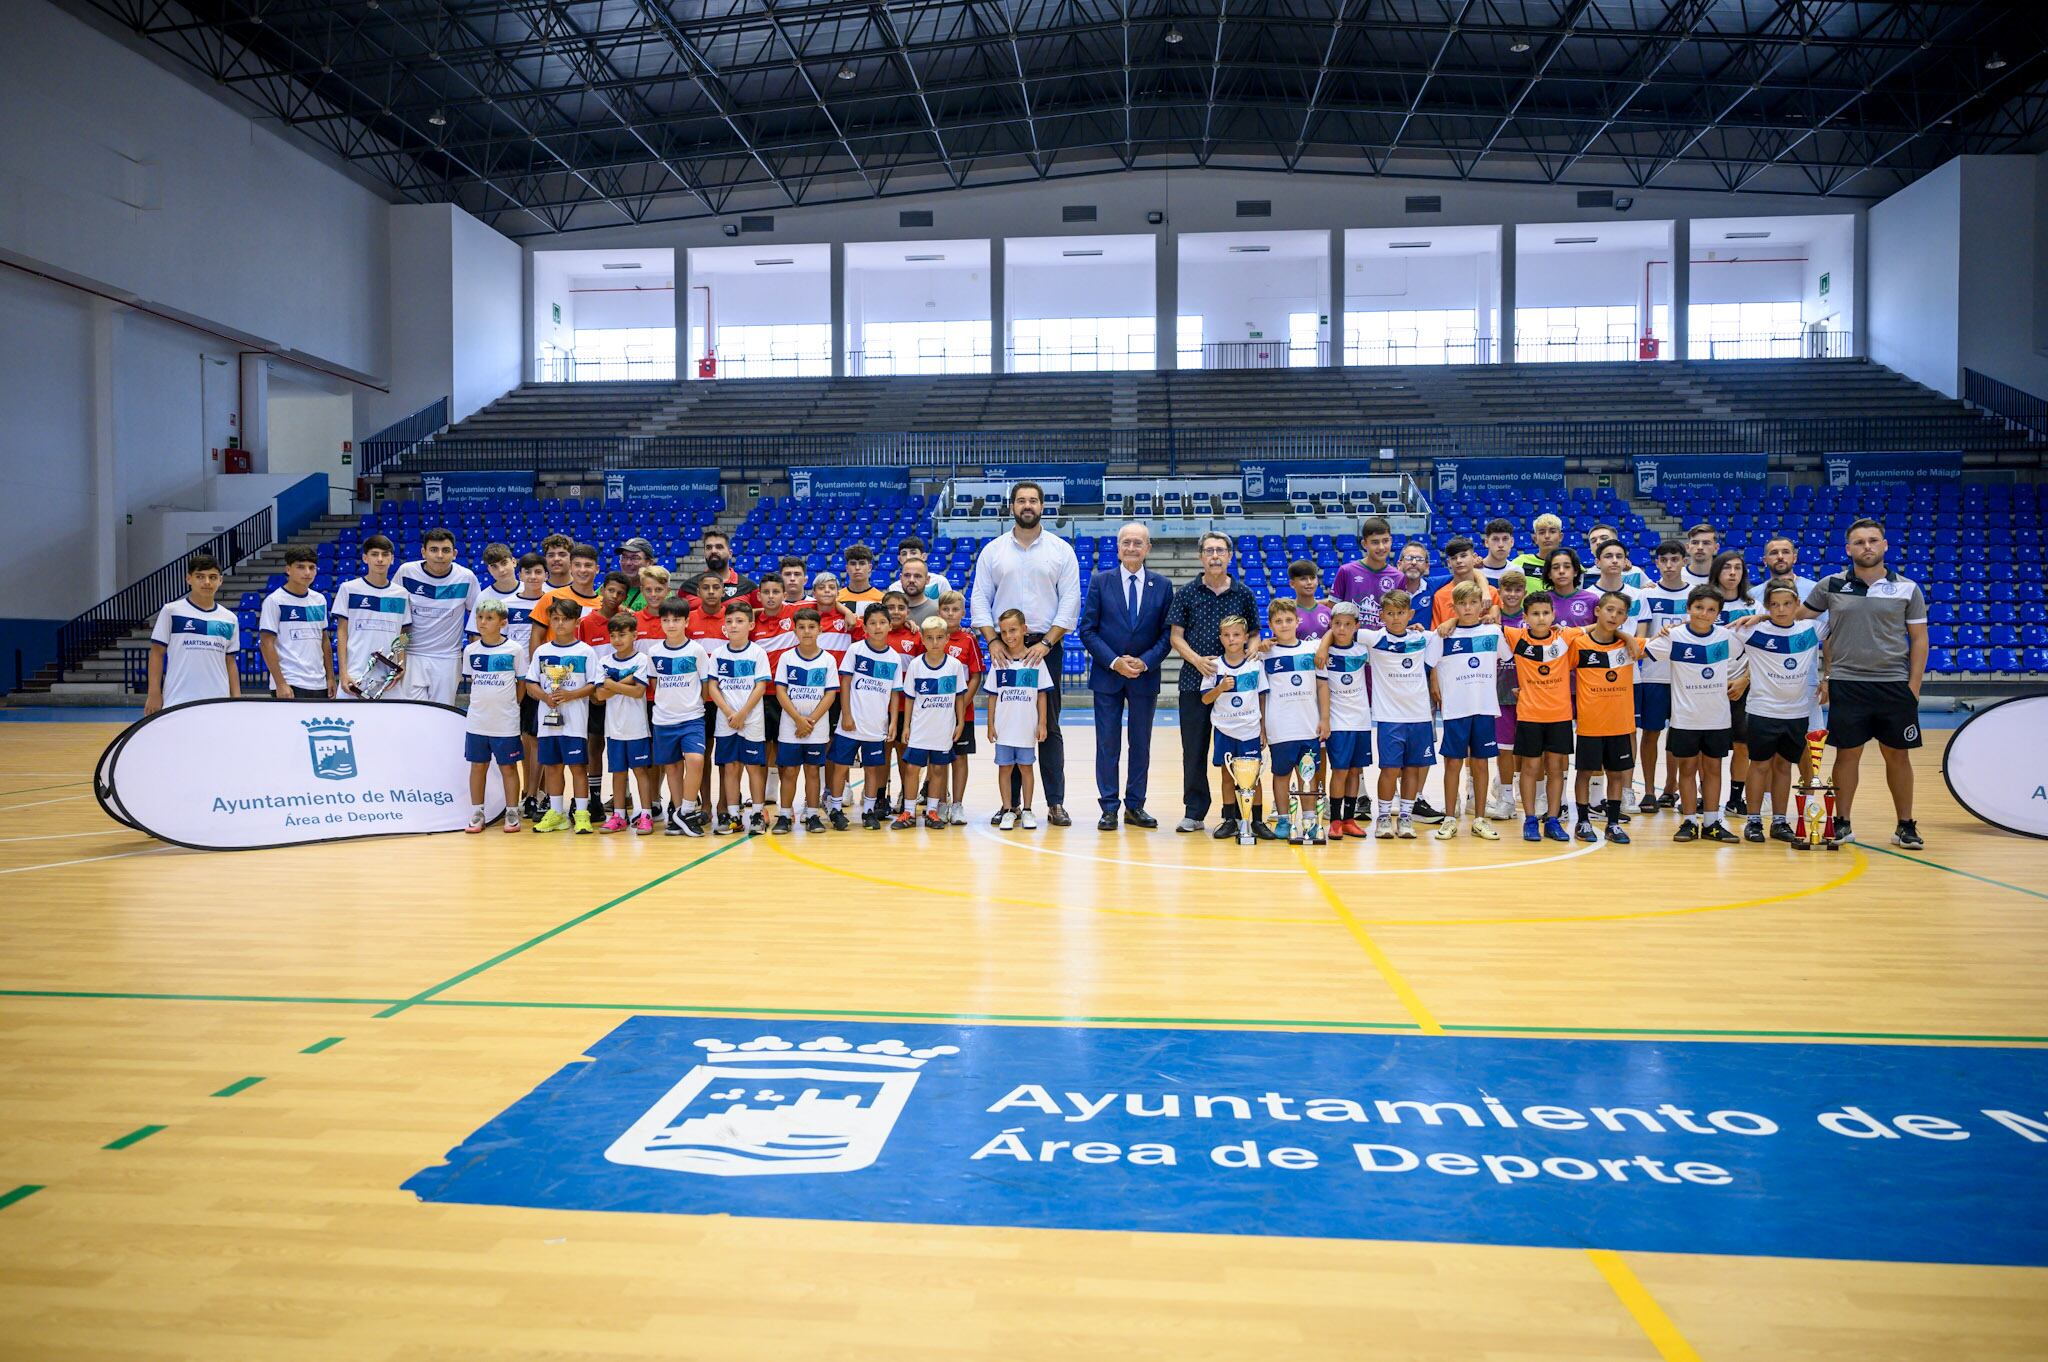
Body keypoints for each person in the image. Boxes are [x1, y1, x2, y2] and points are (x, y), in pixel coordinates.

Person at [1791, 517, 1927, 850]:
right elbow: (1795, 618)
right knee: (1846, 756)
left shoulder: (1908, 588)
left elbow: (1920, 640)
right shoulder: (1831, 585)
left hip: (1893, 685)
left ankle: (1905, 825)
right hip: (1848, 683)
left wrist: (1913, 688)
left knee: (1898, 757)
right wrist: (1761, 617)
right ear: (1849, 548)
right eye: (1860, 542)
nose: (1867, 547)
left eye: (1873, 540)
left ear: (1884, 545)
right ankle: (1843, 823)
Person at [970, 480, 1081, 827]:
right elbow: (978, 599)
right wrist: (993, 641)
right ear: (1012, 507)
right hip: (1005, 648)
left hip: (1045, 648)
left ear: (1043, 507)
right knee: (1009, 723)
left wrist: (1046, 643)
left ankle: (1055, 803)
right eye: (1021, 500)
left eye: (1033, 500)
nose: (1027, 505)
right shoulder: (994, 551)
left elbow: (1070, 602)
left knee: (1047, 726)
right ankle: (1011, 805)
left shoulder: (1061, 551)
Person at [1078, 521, 1172, 831]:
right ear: (1118, 548)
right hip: (1108, 676)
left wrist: (1144, 663)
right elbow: (1088, 630)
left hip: (1145, 677)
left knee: (1141, 743)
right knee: (1107, 744)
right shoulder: (1100, 582)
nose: (1131, 548)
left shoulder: (1162, 585)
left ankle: (1135, 806)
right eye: (1126, 543)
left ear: (1148, 548)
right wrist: (1115, 661)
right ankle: (1108, 807)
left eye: (1137, 543)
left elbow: (1166, 634)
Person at [1168, 531, 1259, 833]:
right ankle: (1194, 812)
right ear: (1201, 556)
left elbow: (1255, 633)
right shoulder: (1186, 593)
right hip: (1196, 683)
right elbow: (1175, 637)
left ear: (1230, 556)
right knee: (1193, 750)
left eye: (1221, 550)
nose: (1215, 556)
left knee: (1237, 753)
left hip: (1237, 689)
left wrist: (1253, 651)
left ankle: (1235, 815)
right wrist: (1196, 660)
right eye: (1209, 550)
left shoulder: (1244, 593)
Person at [1643, 587, 1747, 843]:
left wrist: (1744, 679)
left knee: (1713, 769)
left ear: (1718, 614)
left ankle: (1712, 822)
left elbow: (1752, 659)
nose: (1704, 613)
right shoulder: (1673, 636)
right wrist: (1658, 633)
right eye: (1699, 607)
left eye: (1711, 609)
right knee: (1686, 770)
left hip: (1718, 718)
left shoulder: (1728, 638)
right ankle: (1689, 821)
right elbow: (1642, 651)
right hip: (1685, 718)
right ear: (1689, 608)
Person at [1738, 579, 1829, 846]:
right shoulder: (1752, 631)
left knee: (1783, 766)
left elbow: (1839, 627)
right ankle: (1753, 820)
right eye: (1774, 605)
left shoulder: (1811, 629)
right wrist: (1760, 617)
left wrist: (1829, 676)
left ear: (1797, 605)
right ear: (1766, 606)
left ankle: (1779, 820)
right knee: (1760, 765)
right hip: (1762, 711)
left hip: (1797, 713)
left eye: (1787, 604)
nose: (1780, 609)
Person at [1567, 591, 1648, 844]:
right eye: (1609, 609)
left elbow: (1663, 643)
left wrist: (1627, 637)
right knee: (1584, 772)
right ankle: (1582, 821)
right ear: (1597, 611)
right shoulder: (1579, 645)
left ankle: (1612, 823)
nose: (1614, 615)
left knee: (1615, 774)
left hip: (1620, 724)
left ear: (1625, 617)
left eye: (1620, 612)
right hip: (1590, 725)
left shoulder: (1629, 645)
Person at [1429, 580, 1504, 841]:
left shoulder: (1493, 632)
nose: (1468, 607)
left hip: (1483, 707)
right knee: (1453, 763)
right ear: (1454, 607)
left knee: (1481, 764)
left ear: (1481, 605)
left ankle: (1480, 818)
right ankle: (1450, 818)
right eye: (1462, 603)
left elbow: (1506, 657)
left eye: (1473, 602)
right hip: (1455, 710)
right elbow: (1430, 664)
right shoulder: (1443, 635)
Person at [1363, 589, 1439, 839]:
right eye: (1390, 613)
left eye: (1401, 613)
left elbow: (1449, 630)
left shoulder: (1423, 638)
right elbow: (1340, 629)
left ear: (1411, 614)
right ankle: (1383, 817)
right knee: (1390, 769)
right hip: (1389, 718)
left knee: (1413, 770)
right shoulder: (1373, 639)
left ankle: (1405, 816)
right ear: (1381, 615)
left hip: (1419, 717)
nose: (1396, 618)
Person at [1502, 591, 1574, 842]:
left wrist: (1624, 636)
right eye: (1535, 614)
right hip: (1530, 715)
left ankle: (1552, 819)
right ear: (1525, 617)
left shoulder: (1565, 638)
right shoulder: (1515, 637)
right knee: (1530, 768)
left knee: (1556, 768)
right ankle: (1530, 819)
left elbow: (1598, 627)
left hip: (1560, 715)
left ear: (1554, 615)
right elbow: (1486, 622)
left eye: (1545, 613)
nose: (1541, 618)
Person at [525, 598, 599, 835]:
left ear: (576, 622)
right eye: (555, 619)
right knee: (553, 767)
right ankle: (557, 814)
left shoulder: (585, 651)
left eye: (565, 619)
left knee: (578, 768)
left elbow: (593, 685)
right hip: (548, 723)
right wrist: (546, 698)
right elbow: (530, 684)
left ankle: (582, 814)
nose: (559, 623)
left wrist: (571, 694)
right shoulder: (542, 651)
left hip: (575, 723)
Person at [830, 604, 904, 830]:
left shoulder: (894, 658)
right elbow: (845, 684)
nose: (878, 627)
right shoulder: (856, 650)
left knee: (873, 769)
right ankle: (835, 809)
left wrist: (893, 722)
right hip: (851, 725)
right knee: (841, 767)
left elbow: (894, 693)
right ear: (865, 627)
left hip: (876, 726)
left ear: (890, 626)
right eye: (872, 623)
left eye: (882, 622)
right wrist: (847, 715)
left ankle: (868, 811)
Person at [1631, 539, 1692, 812]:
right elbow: (1641, 637)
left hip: (1685, 676)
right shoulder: (1646, 595)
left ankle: (1671, 787)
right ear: (1657, 563)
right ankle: (1648, 791)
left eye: (1674, 560)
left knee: (1679, 736)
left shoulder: (1696, 595)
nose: (1669, 565)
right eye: (1664, 560)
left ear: (1684, 562)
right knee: (1651, 734)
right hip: (1654, 675)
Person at [893, 615, 969, 829]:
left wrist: (960, 722)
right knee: (912, 769)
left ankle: (933, 812)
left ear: (947, 639)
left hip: (943, 728)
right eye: (930, 638)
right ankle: (908, 811)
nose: (935, 642)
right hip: (919, 728)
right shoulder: (916, 665)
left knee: (937, 770)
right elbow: (909, 698)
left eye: (939, 637)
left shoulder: (954, 666)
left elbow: (960, 696)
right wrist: (906, 725)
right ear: (923, 640)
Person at [641, 597, 708, 837]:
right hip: (663, 720)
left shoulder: (696, 650)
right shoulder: (654, 652)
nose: (671, 624)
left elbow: (706, 684)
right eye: (666, 620)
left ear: (686, 622)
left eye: (676, 620)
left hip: (692, 717)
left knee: (696, 760)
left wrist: (694, 704)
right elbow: (654, 684)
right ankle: (678, 814)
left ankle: (687, 810)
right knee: (672, 769)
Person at [1202, 614, 1272, 842]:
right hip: (1225, 729)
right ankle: (1230, 820)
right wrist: (1220, 687)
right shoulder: (1214, 666)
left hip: (1250, 729)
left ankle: (1257, 821)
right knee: (1226, 775)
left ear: (1245, 637)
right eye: (1227, 635)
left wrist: (1263, 729)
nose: (1231, 639)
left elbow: (1262, 698)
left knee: (1254, 778)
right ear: (1221, 638)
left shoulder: (1254, 664)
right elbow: (1205, 699)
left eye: (1236, 635)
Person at [1259, 599, 1323, 843]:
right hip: (1280, 726)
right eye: (1278, 621)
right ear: (1271, 625)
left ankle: (1309, 820)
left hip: (1308, 724)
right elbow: (1262, 695)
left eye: (1288, 620)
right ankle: (1284, 819)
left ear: (1298, 621)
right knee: (1282, 774)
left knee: (1307, 775)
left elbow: (1330, 639)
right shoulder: (1265, 655)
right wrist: (1262, 727)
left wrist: (1324, 719)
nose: (1284, 625)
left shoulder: (1312, 648)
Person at [144, 553, 240, 715]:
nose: (207, 582)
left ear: (220, 580)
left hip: (218, 701)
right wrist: (153, 693)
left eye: (212, 577)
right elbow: (157, 653)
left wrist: (236, 697)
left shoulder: (229, 618)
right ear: (188, 579)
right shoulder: (171, 611)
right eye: (200, 577)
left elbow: (230, 661)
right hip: (178, 700)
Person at [460, 599, 524, 834]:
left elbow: (522, 683)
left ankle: (512, 811)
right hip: (477, 720)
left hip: (505, 721)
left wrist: (511, 706)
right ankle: (477, 812)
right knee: (478, 766)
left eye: (489, 618)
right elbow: (473, 681)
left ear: (503, 622)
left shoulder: (514, 650)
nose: (483, 623)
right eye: (480, 618)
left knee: (508, 767)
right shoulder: (471, 650)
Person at [396, 528, 480, 705]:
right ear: (423, 552)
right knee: (412, 714)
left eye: (446, 550)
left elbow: (477, 619)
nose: (440, 555)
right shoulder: (406, 572)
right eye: (434, 550)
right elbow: (398, 619)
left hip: (448, 658)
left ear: (455, 553)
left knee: (441, 713)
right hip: (412, 655)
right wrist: (400, 657)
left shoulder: (466, 577)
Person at [773, 606, 838, 834]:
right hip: (790, 727)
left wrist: (808, 721)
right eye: (802, 627)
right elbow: (781, 691)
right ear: (795, 630)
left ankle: (812, 815)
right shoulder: (786, 657)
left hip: (816, 728)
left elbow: (830, 694)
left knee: (812, 771)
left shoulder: (828, 660)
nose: (807, 631)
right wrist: (798, 720)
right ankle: (784, 815)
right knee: (789, 771)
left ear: (820, 630)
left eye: (811, 627)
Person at [708, 600, 771, 835]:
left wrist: (743, 713)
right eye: (730, 621)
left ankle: (757, 813)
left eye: (740, 621)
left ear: (751, 625)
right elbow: (713, 687)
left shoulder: (758, 653)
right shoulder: (718, 654)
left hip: (751, 720)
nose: (734, 626)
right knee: (731, 767)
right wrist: (729, 713)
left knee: (754, 767)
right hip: (726, 722)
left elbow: (761, 686)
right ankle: (734, 816)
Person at [987, 609, 1053, 832]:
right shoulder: (999, 662)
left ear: (1025, 630)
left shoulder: (1035, 661)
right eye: (1004, 632)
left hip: (1026, 727)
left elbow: (1042, 694)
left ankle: (1027, 810)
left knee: (1026, 768)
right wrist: (990, 725)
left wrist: (1042, 723)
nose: (1008, 636)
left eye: (1013, 630)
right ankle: (1008, 810)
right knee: (1004, 769)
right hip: (1004, 729)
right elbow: (992, 696)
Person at [1709, 549, 1761, 817]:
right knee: (1708, 748)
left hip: (1742, 685)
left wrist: (1745, 679)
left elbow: (1763, 652)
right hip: (1706, 688)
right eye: (1727, 567)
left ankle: (1734, 799)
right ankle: (1704, 798)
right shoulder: (1704, 602)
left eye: (1737, 568)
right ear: (1717, 570)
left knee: (1743, 745)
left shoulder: (1754, 607)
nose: (1732, 573)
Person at [1314, 601, 1371, 838]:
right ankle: (1335, 820)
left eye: (1348, 624)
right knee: (1339, 771)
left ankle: (1349, 819)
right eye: (1337, 624)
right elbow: (1323, 687)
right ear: (1330, 625)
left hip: (1361, 720)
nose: (1342, 629)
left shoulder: (1364, 650)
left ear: (1356, 626)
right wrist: (1325, 719)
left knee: (1355, 771)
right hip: (1338, 721)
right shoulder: (1323, 654)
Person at [597, 614, 656, 834]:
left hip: (637, 727)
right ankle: (619, 816)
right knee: (618, 772)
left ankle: (646, 814)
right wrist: (626, 680)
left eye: (622, 634)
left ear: (634, 635)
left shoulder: (642, 660)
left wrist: (611, 683)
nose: (617, 639)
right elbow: (600, 695)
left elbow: (638, 691)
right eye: (613, 635)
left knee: (640, 771)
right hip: (613, 729)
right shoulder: (604, 661)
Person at [335, 534, 409, 701]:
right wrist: (343, 673)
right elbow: (341, 633)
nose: (380, 559)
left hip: (389, 679)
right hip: (355, 675)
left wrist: (401, 665)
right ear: (365, 558)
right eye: (375, 554)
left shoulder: (402, 594)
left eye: (385, 555)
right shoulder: (348, 589)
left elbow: (403, 634)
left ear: (392, 559)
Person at [258, 544, 332, 701]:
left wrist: (330, 678)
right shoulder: (274, 600)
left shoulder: (319, 599)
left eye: (312, 567)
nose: (307, 572)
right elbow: (266, 643)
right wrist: (280, 683)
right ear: (288, 569)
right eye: (300, 567)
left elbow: (324, 640)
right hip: (290, 682)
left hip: (319, 683)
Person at [936, 590, 984, 826]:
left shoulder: (968, 640)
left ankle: (957, 804)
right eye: (946, 609)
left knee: (960, 758)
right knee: (940, 758)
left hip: (963, 713)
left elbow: (976, 675)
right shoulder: (933, 638)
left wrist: (961, 705)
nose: (950, 614)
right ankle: (941, 803)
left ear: (963, 613)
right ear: (939, 611)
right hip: (935, 712)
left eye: (955, 610)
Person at [1486, 570, 1529, 819]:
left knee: (1524, 750)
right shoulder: (1490, 621)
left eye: (1517, 590)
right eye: (1508, 590)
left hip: (1529, 693)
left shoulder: (1532, 619)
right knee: (1504, 749)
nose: (1512, 595)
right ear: (1499, 592)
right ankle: (1506, 798)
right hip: (1499, 691)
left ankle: (1525, 791)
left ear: (1524, 593)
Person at [1331, 515, 1406, 628]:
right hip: (1352, 642)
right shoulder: (1346, 571)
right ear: (1364, 544)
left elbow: (1400, 616)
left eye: (1385, 541)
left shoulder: (1398, 577)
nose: (1381, 547)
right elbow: (1333, 609)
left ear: (1391, 541)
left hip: (1383, 642)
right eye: (1375, 542)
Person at [1429, 538, 1500, 627]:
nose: (1459, 561)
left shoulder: (1491, 593)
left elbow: (1500, 629)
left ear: (1474, 558)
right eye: (1454, 558)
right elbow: (1436, 632)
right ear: (1448, 563)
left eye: (1463, 556)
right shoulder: (1440, 596)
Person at [530, 542, 602, 630]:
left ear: (597, 569)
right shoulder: (550, 597)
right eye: (577, 565)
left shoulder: (604, 605)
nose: (582, 570)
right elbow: (536, 639)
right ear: (571, 567)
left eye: (588, 565)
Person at [1541, 548, 1601, 627]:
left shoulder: (1592, 599)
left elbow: (1600, 630)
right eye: (1555, 567)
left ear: (1575, 572)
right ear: (1549, 574)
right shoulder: (1540, 600)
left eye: (1567, 566)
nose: (1561, 571)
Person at [1286, 562, 1334, 639]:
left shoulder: (1328, 612)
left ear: (1317, 581)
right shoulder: (1287, 612)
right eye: (1303, 579)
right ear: (1292, 583)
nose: (1309, 582)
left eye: (1312, 578)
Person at [840, 544, 884, 608]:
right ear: (847, 568)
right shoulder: (837, 599)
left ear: (870, 568)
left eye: (862, 563)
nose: (857, 568)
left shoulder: (881, 599)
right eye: (853, 564)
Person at [1477, 519, 1517, 586]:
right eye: (1495, 539)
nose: (1500, 545)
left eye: (1505, 539)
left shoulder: (1517, 571)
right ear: (1486, 542)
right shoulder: (1475, 571)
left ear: (1512, 542)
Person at [617, 538, 654, 610]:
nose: (628, 563)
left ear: (649, 563)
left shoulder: (659, 592)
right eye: (624, 557)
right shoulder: (611, 586)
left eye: (635, 558)